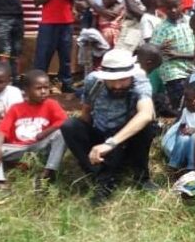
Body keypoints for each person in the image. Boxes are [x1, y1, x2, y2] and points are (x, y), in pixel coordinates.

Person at [61, 49, 158, 205]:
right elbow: (86, 111)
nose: (117, 85)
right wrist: (82, 141)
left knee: (147, 126)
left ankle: (141, 176)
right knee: (70, 126)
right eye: (112, 80)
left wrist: (111, 143)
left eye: (123, 80)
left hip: (124, 139)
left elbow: (146, 114)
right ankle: (101, 176)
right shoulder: (94, 81)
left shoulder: (140, 81)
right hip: (100, 134)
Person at [0, 69, 67, 191]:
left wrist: (45, 132)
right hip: (18, 148)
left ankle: (48, 172)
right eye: (38, 88)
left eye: (46, 87)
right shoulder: (16, 108)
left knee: (61, 133)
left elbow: (64, 121)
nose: (43, 91)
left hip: (40, 147)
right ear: (27, 90)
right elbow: (2, 129)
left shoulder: (51, 104)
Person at [31, 0, 77, 93]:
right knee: (42, 56)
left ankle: (66, 83)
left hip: (66, 23)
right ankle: (38, 84)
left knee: (66, 57)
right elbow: (36, 1)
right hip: (48, 24)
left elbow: (74, 0)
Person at [150, 0, 195, 115]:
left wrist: (178, 55)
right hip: (173, 72)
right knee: (179, 102)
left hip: (193, 68)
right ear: (163, 8)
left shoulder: (190, 22)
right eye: (169, 8)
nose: (173, 10)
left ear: (182, 3)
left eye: (176, 6)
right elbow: (152, 51)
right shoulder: (161, 28)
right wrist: (159, 49)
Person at [161, 79, 195, 171]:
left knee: (194, 138)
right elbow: (182, 124)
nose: (186, 103)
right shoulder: (186, 111)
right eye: (185, 100)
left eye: (189, 100)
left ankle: (191, 167)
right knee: (183, 139)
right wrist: (183, 130)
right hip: (185, 142)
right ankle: (174, 165)